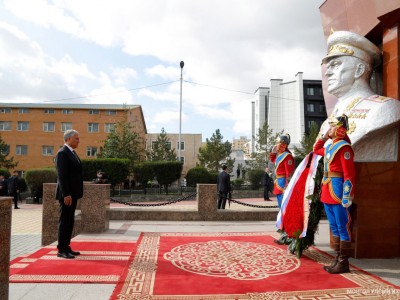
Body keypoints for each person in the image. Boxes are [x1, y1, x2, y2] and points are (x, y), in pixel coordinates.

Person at [320, 30, 400, 161]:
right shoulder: (327, 122)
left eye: (335, 65)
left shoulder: (384, 108)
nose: (327, 73)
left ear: (359, 69)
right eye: (327, 67)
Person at [314, 114, 355, 274]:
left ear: (339, 129)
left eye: (331, 127)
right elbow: (316, 150)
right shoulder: (331, 146)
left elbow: (349, 174)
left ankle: (344, 262)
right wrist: (324, 137)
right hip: (327, 189)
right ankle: (338, 259)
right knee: (334, 227)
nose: (328, 129)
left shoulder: (344, 147)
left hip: (338, 191)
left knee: (342, 227)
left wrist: (347, 195)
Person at [55, 129, 83, 259]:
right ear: (68, 139)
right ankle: (61, 249)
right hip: (67, 195)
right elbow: (62, 176)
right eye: (76, 138)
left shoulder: (72, 152)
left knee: (69, 221)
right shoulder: (62, 153)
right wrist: (66, 194)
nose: (78, 141)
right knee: (65, 221)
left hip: (73, 194)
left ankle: (67, 246)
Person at [269, 134, 294, 209]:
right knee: (280, 201)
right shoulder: (279, 155)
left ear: (284, 145)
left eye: (278, 143)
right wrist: (273, 153)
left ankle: (285, 218)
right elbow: (273, 161)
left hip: (283, 181)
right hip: (278, 181)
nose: (277, 145)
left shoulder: (287, 156)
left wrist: (287, 184)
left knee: (283, 202)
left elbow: (289, 172)